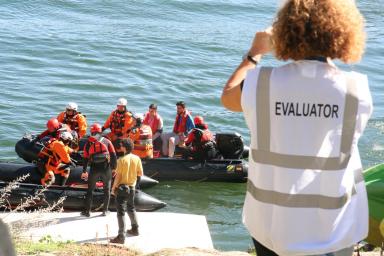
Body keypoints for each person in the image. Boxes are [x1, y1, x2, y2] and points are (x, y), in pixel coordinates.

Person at [221, 1, 372, 256]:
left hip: (271, 226)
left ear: (285, 31)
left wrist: (254, 52)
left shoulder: (261, 83)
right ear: (342, 32)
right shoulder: (356, 90)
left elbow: (228, 97)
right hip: (333, 229)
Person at [110, 138, 143, 244]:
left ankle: (121, 236)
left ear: (124, 147)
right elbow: (140, 174)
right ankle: (135, 229)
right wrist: (136, 185)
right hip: (132, 188)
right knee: (131, 208)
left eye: (121, 145)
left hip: (122, 189)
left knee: (121, 212)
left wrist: (113, 189)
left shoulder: (121, 160)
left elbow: (118, 177)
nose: (120, 146)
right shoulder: (137, 158)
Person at [80, 123, 117, 217]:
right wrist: (114, 168)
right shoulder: (107, 141)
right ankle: (105, 211)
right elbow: (113, 155)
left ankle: (87, 212)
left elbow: (85, 158)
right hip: (106, 169)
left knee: (90, 190)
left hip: (94, 169)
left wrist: (84, 171)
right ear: (101, 131)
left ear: (91, 132)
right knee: (107, 190)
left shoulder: (88, 143)